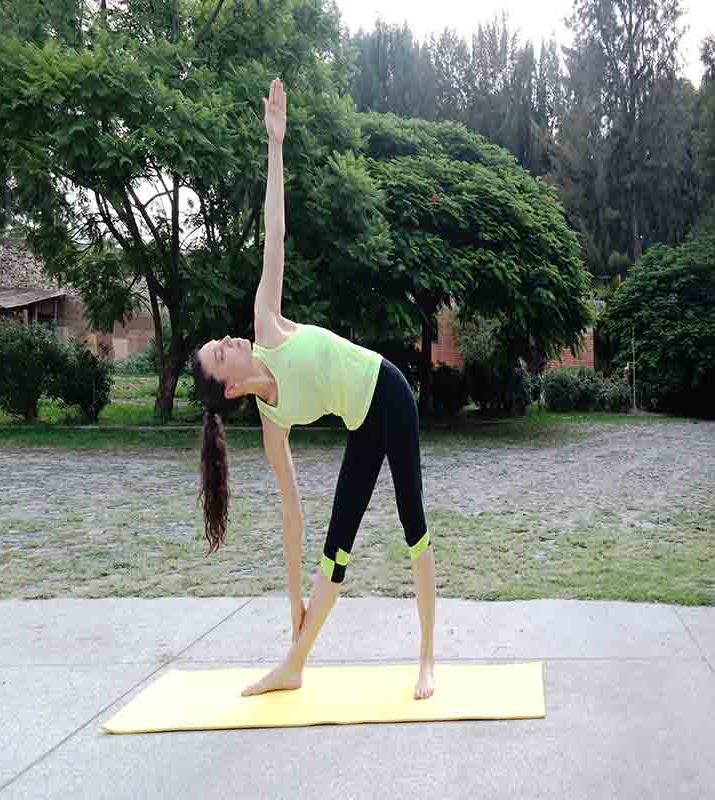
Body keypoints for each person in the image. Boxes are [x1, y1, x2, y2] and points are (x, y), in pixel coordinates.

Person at [192, 79, 436, 700]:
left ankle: (427, 660)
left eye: (222, 340)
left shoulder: (267, 324)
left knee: (412, 522)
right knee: (335, 547)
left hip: (389, 393)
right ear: (229, 388)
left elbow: (274, 233)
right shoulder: (272, 424)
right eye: (221, 352)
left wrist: (275, 146)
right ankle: (294, 664)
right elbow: (291, 515)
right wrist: (292, 599)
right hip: (361, 424)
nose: (230, 340)